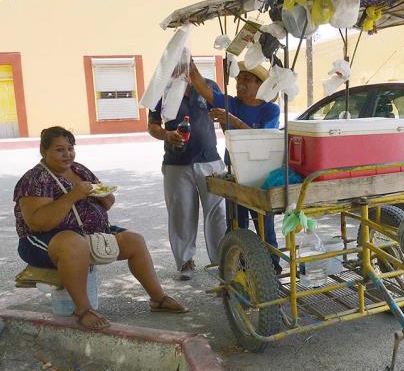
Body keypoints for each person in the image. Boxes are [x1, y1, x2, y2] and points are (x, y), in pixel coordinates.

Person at [14, 126, 187, 330]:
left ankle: (158, 299)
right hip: (43, 240)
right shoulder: (35, 179)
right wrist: (72, 196)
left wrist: (102, 194)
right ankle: (83, 309)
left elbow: (109, 201)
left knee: (134, 241)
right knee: (73, 243)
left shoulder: (80, 170)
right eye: (59, 150)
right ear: (44, 151)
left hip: (91, 234)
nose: (67, 154)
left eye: (70, 148)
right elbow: (38, 222)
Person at [188, 61, 282, 275]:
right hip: (235, 174)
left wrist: (233, 121)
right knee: (236, 226)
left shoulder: (271, 110)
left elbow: (262, 140)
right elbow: (203, 88)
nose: (240, 82)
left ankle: (272, 270)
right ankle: (237, 270)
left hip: (261, 178)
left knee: (265, 228)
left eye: (247, 79)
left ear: (260, 85)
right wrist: (190, 66)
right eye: (239, 78)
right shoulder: (232, 103)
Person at [147, 72, 227, 281]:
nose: (181, 69)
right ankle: (185, 261)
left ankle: (221, 260)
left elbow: (223, 116)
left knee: (217, 214)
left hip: (209, 160)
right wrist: (166, 134)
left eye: (186, 63)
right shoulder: (162, 89)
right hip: (176, 162)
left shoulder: (209, 86)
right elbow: (152, 125)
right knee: (181, 212)